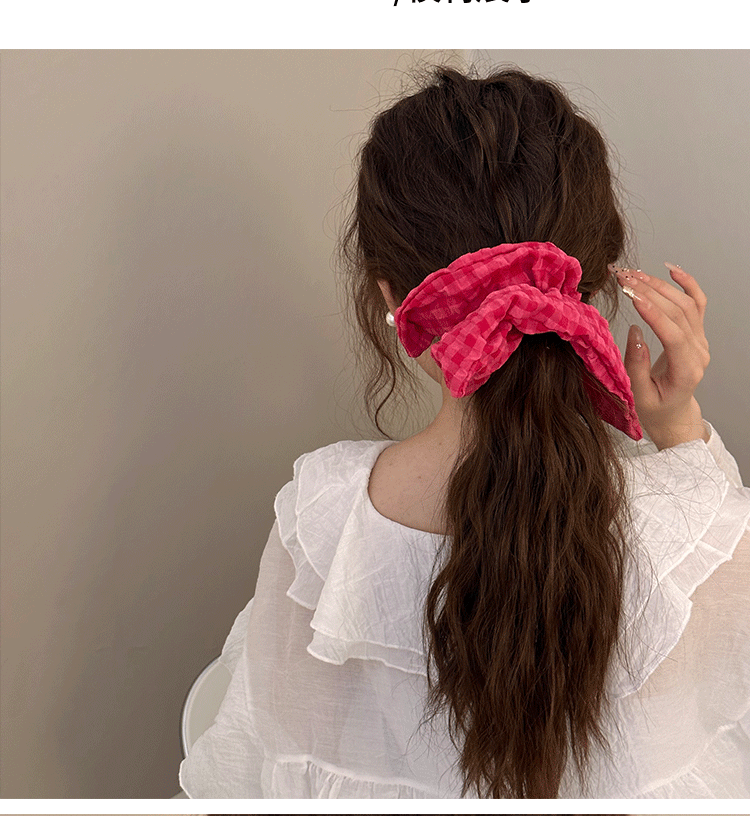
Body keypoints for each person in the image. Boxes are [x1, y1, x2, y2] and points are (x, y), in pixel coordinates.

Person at [179, 64, 749, 799]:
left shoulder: (321, 523)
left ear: (391, 298)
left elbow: (260, 762)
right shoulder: (700, 530)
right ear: (592, 285)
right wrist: (678, 430)